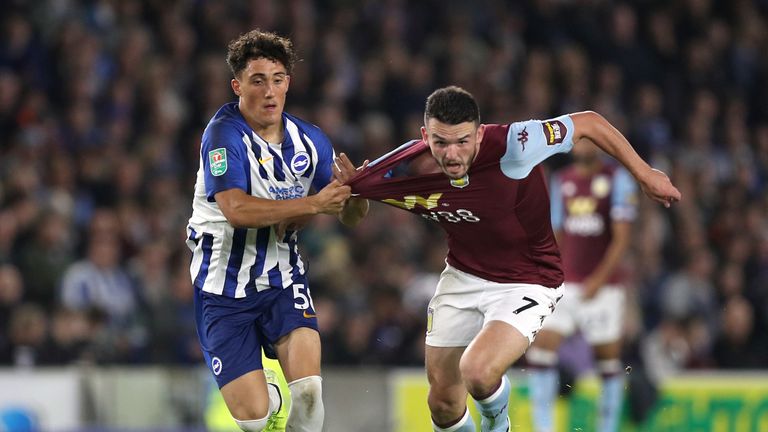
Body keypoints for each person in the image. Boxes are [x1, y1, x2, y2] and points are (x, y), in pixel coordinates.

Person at [345, 86, 680, 432]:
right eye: (441, 142)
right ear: (424, 136)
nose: (451, 154)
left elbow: (589, 123)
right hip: (462, 275)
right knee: (442, 402)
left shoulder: (516, 143)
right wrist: (355, 196)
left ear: (478, 132)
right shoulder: (406, 167)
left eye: (462, 141)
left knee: (477, 372)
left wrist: (644, 173)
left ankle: (499, 424)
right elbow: (352, 215)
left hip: (528, 279)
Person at [186, 29, 368, 432]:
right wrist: (314, 204)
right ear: (237, 86)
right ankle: (267, 399)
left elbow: (350, 216)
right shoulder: (223, 136)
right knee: (255, 420)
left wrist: (357, 194)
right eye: (257, 80)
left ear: (288, 83)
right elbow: (235, 209)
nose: (270, 91)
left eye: (278, 79)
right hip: (222, 289)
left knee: (309, 394)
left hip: (283, 279)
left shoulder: (311, 141)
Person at [525, 137, 638, 432]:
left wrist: (599, 280)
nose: (580, 148)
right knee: (541, 349)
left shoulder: (617, 180)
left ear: (599, 146)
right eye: (576, 142)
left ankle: (607, 427)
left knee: (608, 359)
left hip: (604, 286)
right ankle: (544, 427)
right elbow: (557, 232)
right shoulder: (562, 180)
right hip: (566, 282)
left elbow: (622, 238)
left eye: (587, 142)